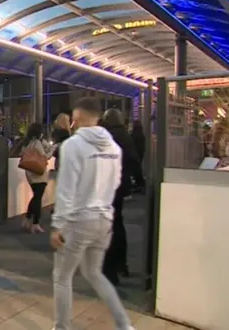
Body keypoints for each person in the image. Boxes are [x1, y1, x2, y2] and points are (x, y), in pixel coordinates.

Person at [50, 97, 134, 330]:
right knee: (94, 273)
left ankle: (62, 327)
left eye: (74, 121)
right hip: (104, 219)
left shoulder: (73, 146)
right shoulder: (114, 148)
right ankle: (125, 325)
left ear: (77, 120)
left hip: (78, 220)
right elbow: (115, 182)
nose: (73, 126)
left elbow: (66, 189)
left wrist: (58, 225)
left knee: (62, 276)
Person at [100, 109, 139, 284]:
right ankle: (122, 265)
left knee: (109, 226)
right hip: (121, 185)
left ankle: (110, 270)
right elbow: (134, 160)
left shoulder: (107, 136)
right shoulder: (126, 136)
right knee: (118, 223)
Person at [20, 123, 54, 233]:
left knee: (35, 197)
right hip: (38, 174)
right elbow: (45, 157)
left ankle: (27, 219)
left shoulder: (27, 142)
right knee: (37, 198)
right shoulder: (38, 143)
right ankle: (35, 223)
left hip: (30, 173)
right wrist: (53, 149)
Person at [130, 120, 146, 191]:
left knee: (135, 169)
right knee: (137, 169)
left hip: (135, 154)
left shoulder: (134, 135)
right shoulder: (141, 134)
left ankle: (139, 184)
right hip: (139, 154)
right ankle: (139, 184)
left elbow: (132, 145)